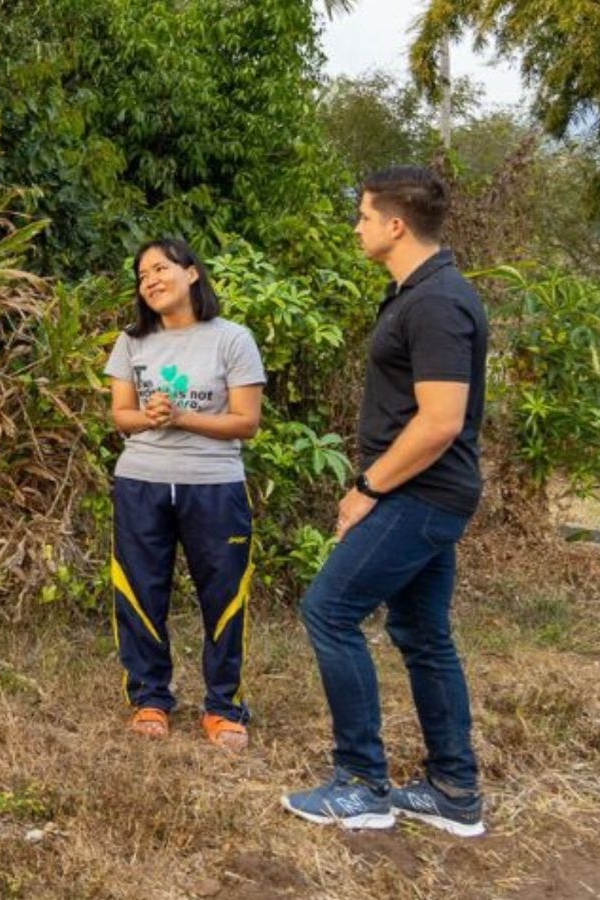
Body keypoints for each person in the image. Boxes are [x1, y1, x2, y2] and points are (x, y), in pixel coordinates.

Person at [282, 166, 489, 837]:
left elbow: (439, 421)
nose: (357, 227)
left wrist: (367, 488)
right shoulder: (419, 294)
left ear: (396, 224)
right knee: (420, 633)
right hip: (427, 492)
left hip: (419, 493)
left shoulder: (435, 302)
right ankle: (454, 791)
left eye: (365, 216)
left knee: (329, 609)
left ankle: (363, 784)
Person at [104, 237, 265, 750]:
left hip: (214, 486)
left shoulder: (232, 339)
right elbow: (121, 417)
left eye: (159, 268)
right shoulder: (132, 341)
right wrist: (146, 418)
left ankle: (223, 706)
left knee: (222, 594)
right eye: (141, 274)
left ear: (191, 273)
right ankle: (150, 698)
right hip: (141, 482)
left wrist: (183, 418)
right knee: (140, 591)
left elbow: (247, 423)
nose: (149, 280)